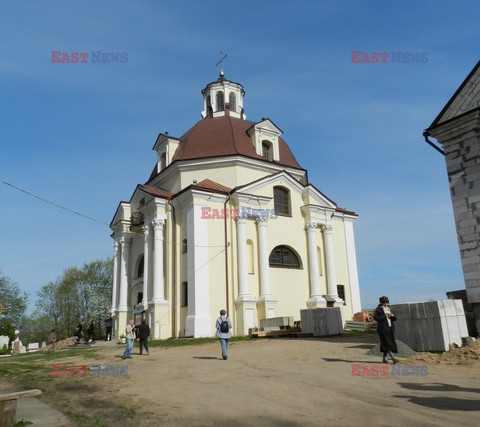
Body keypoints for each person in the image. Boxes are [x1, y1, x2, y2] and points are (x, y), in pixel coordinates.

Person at [373, 296, 399, 364]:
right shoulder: (378, 309)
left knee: (386, 343)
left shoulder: (389, 308)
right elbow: (375, 318)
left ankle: (384, 358)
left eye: (387, 302)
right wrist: (385, 315)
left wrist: (393, 316)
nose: (386, 304)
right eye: (385, 302)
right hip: (383, 329)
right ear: (381, 303)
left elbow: (395, 319)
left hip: (390, 328)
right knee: (387, 343)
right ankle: (393, 358)